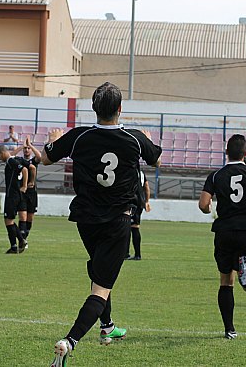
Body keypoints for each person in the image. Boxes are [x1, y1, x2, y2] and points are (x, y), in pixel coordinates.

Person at [42, 82, 161, 366]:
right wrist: (147, 138)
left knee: (97, 269)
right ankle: (69, 341)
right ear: (120, 109)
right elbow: (155, 159)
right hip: (117, 220)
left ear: (94, 109)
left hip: (85, 219)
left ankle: (107, 327)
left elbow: (45, 158)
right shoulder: (133, 139)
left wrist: (54, 139)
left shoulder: (79, 137)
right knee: (101, 287)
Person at [198, 134, 246, 339]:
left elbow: (203, 205)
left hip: (224, 230)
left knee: (225, 282)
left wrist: (209, 209)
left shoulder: (216, 175)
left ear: (226, 152)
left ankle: (229, 329)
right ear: (245, 154)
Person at [0, 145, 30, 253]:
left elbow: (24, 170)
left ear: (2, 153)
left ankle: (18, 242)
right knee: (8, 220)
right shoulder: (12, 160)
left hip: (12, 195)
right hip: (16, 194)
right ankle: (15, 245)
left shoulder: (10, 161)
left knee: (8, 220)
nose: (0, 159)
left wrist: (24, 185)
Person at [11, 136, 42, 242]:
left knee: (30, 218)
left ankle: (24, 237)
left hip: (32, 193)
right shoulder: (19, 160)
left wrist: (31, 145)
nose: (27, 150)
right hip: (22, 192)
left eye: (28, 148)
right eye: (26, 148)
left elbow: (40, 157)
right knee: (22, 217)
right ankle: (22, 240)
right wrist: (22, 146)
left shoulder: (34, 161)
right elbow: (10, 156)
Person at [126, 170, 151, 260]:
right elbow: (146, 187)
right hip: (139, 202)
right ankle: (133, 254)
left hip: (131, 201)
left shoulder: (128, 170)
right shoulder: (141, 173)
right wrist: (147, 201)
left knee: (130, 227)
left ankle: (134, 254)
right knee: (132, 227)